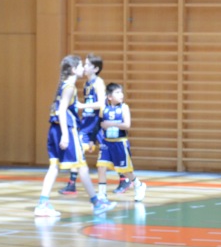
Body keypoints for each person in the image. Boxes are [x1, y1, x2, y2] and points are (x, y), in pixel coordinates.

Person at [35, 55, 117, 217]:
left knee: (54, 167)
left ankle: (42, 204)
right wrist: (65, 135)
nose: (83, 68)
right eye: (80, 66)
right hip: (66, 129)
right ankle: (96, 203)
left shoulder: (65, 85)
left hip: (54, 129)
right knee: (82, 166)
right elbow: (61, 111)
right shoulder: (70, 87)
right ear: (73, 70)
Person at [59, 54, 106, 196]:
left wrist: (82, 106)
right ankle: (72, 183)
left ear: (95, 69)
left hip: (98, 122)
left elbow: (102, 104)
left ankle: (125, 178)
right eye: (84, 64)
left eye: (87, 65)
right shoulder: (86, 83)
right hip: (87, 122)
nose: (85, 67)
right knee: (78, 150)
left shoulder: (98, 83)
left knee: (109, 152)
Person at [96, 83, 146, 202]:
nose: (121, 95)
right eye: (117, 92)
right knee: (101, 166)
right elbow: (99, 124)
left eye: (121, 92)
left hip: (120, 143)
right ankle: (102, 194)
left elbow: (127, 125)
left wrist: (111, 124)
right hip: (106, 143)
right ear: (109, 96)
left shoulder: (124, 107)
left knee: (124, 170)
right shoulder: (104, 108)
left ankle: (138, 185)